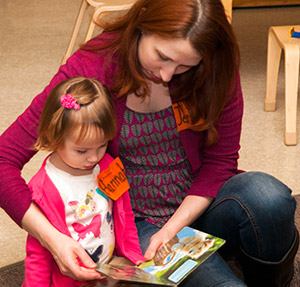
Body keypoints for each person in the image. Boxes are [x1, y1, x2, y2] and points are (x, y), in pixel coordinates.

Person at [0, 0, 298, 286]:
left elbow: (220, 163)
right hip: (137, 222)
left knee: (268, 197)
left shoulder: (216, 64)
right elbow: (3, 160)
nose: (168, 74)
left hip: (200, 201)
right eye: (162, 56)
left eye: (185, 66)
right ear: (142, 21)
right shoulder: (94, 66)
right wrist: (53, 239)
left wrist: (173, 229)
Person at [22, 77, 144, 286]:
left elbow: (124, 212)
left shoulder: (108, 164)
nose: (93, 157)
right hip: (70, 281)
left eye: (102, 145)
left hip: (109, 270)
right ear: (53, 138)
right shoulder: (44, 188)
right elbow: (38, 253)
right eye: (81, 150)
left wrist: (135, 255)